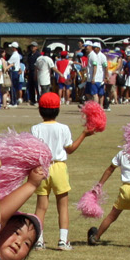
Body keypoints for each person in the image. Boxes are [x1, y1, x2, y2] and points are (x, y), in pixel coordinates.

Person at [28, 92, 92, 251]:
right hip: (59, 167)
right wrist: (84, 134)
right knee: (62, 206)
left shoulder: (35, 128)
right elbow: (70, 149)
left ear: (40, 110)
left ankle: (39, 240)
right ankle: (63, 240)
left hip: (41, 167)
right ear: (58, 109)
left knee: (41, 207)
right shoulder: (63, 128)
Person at [87, 147, 130, 248]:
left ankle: (96, 237)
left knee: (112, 216)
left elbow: (110, 169)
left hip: (125, 189)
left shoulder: (122, 153)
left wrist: (99, 185)